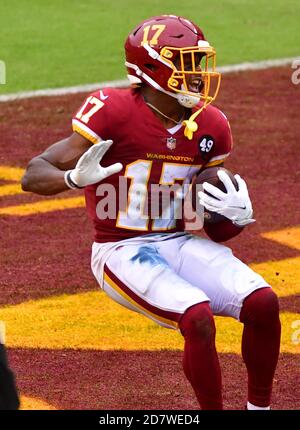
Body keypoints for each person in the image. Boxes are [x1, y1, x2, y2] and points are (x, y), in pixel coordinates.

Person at [21, 15, 281, 410]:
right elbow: (32, 174)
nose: (198, 74)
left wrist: (231, 212)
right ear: (154, 68)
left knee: (263, 302)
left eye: (199, 61)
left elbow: (215, 228)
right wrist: (74, 177)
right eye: (187, 62)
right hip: (120, 249)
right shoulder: (113, 110)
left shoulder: (211, 124)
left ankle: (259, 408)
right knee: (196, 317)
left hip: (177, 239)